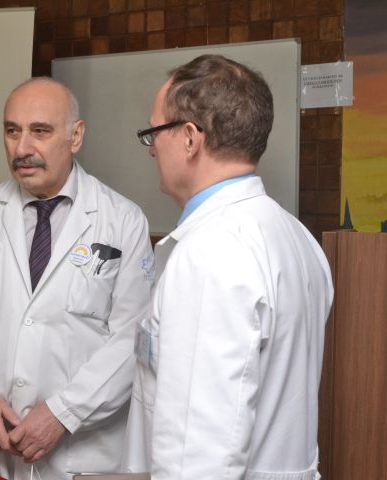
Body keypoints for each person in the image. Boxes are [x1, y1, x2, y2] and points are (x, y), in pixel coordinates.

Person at [0, 77, 154, 479]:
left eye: (40, 131)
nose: (22, 148)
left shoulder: (123, 221)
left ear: (75, 136)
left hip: (80, 457)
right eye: (12, 131)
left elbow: (131, 342)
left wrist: (64, 413)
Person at [122, 55, 334, 479]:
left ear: (189, 138)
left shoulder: (211, 253)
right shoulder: (297, 237)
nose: (152, 149)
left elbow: (197, 457)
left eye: (154, 133)